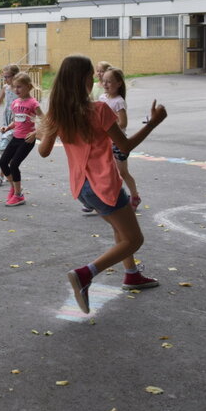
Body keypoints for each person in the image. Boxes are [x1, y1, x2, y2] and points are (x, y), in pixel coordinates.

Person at [37, 55, 167, 314]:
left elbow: (43, 151)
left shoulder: (58, 113)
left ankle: (131, 274)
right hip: (104, 184)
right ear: (84, 80)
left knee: (120, 228)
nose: (95, 80)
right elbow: (126, 147)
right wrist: (153, 123)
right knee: (134, 239)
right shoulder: (99, 110)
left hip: (83, 189)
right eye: (92, 76)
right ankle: (86, 273)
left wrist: (44, 132)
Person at [99, 67, 141, 209]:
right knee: (106, 171)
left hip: (118, 143)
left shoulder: (118, 101)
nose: (105, 84)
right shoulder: (102, 98)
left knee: (122, 172)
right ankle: (101, 199)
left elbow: (123, 123)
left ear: (118, 84)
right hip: (105, 142)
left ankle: (134, 196)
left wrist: (108, 123)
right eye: (104, 81)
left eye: (109, 82)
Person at [0, 72, 42, 207]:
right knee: (3, 162)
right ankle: (14, 188)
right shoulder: (15, 103)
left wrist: (35, 133)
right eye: (15, 87)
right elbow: (17, 120)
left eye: (19, 87)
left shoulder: (33, 103)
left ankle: (19, 195)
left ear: (28, 87)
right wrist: (7, 127)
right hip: (16, 137)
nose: (16, 90)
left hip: (27, 140)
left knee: (14, 164)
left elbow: (45, 120)